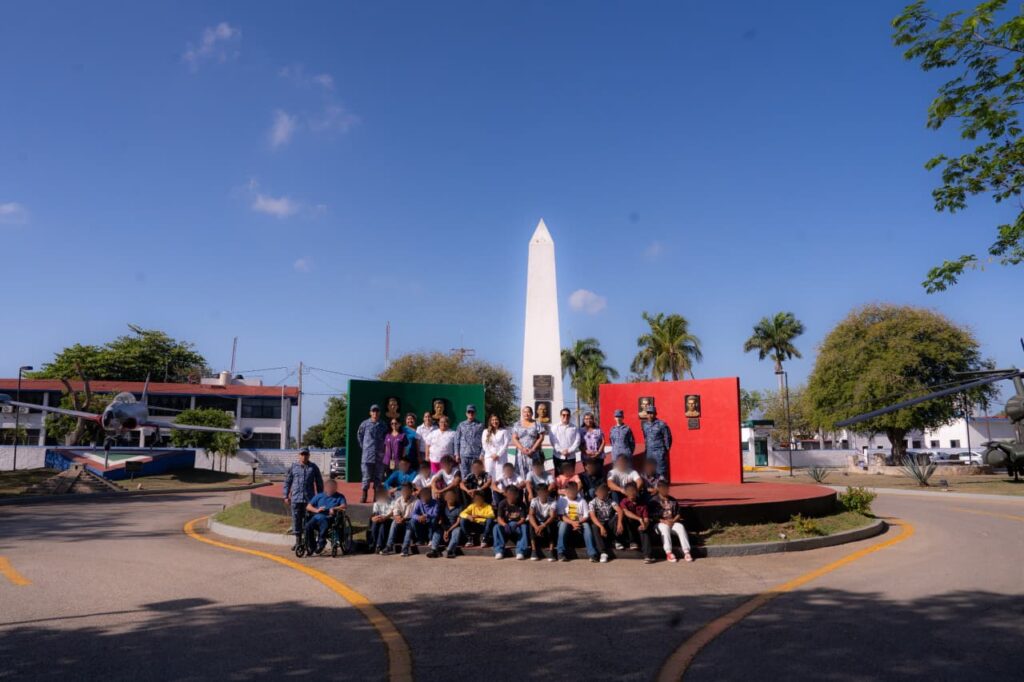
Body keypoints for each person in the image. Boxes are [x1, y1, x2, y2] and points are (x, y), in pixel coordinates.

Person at [283, 448, 324, 548]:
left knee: (309, 521)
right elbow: (287, 482)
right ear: (299, 455)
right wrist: (285, 495)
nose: (304, 456)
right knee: (296, 520)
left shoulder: (313, 467)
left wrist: (320, 498)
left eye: (306, 454)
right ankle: (298, 541)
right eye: (302, 454)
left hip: (309, 500)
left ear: (309, 455)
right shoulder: (293, 467)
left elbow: (319, 483)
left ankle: (309, 542)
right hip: (296, 499)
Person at [650, 479, 693, 563]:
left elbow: (678, 514)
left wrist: (673, 521)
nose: (665, 490)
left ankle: (686, 552)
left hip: (672, 522)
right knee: (665, 528)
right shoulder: (653, 501)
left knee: (680, 527)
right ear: (658, 488)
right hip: (659, 524)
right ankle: (669, 552)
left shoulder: (673, 500)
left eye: (667, 488)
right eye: (663, 488)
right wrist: (663, 521)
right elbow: (651, 516)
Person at [303, 478, 348, 555]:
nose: (330, 489)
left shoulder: (339, 496)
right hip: (317, 517)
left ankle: (321, 543)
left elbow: (344, 506)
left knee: (323, 520)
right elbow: (308, 506)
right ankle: (312, 546)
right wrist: (316, 510)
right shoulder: (319, 496)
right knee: (307, 527)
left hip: (330, 518)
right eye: (329, 487)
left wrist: (334, 508)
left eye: (332, 487)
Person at [556, 481, 597, 562]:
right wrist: (572, 523)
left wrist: (577, 522)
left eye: (573, 489)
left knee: (587, 526)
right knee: (563, 524)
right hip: (567, 522)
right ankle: (560, 553)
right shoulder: (562, 500)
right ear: (566, 491)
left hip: (580, 522)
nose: (571, 492)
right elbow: (562, 516)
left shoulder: (582, 500)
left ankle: (592, 553)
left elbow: (586, 516)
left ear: (577, 490)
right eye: (569, 490)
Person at [357, 404, 388, 503]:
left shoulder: (383, 425)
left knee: (378, 477)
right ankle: (364, 494)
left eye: (377, 411)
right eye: (373, 411)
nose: (375, 413)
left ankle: (376, 496)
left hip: (379, 456)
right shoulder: (364, 424)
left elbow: (386, 438)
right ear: (370, 413)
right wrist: (366, 447)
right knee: (366, 476)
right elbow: (359, 436)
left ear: (379, 413)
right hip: (367, 456)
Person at [618, 482, 654, 563]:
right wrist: (639, 519)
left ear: (637, 491)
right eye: (629, 491)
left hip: (638, 526)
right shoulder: (624, 501)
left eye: (634, 491)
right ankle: (632, 541)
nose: (632, 493)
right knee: (625, 518)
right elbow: (626, 512)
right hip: (628, 527)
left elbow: (646, 518)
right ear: (626, 493)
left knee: (644, 529)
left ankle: (647, 555)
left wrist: (645, 524)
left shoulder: (642, 503)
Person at [493, 486, 530, 560]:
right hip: (506, 526)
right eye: (510, 494)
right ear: (506, 494)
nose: (512, 496)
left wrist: (517, 524)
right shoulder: (502, 503)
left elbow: (523, 518)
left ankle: (520, 551)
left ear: (517, 495)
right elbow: (499, 518)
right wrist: (505, 525)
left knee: (524, 526)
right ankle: (499, 551)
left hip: (517, 526)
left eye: (514, 494)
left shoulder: (521, 504)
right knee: (496, 527)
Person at [510, 405, 546, 479]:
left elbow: (541, 437)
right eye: (524, 412)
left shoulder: (537, 424)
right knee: (521, 474)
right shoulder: (517, 424)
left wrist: (532, 449)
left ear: (532, 413)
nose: (526, 414)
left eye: (528, 412)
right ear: (522, 413)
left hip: (534, 453)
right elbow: (514, 438)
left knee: (535, 474)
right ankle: (522, 490)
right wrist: (522, 449)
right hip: (521, 453)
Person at [588, 483, 620, 563]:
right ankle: (603, 552)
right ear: (596, 492)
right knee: (594, 526)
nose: (602, 493)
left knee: (617, 516)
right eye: (600, 491)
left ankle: (617, 540)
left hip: (609, 522)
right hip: (599, 522)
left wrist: (620, 523)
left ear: (607, 492)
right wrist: (601, 527)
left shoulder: (610, 500)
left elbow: (619, 510)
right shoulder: (592, 502)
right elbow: (592, 516)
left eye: (604, 491)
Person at [405, 486, 440, 556]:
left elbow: (435, 514)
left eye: (426, 495)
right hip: (421, 521)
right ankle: (420, 540)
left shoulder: (435, 503)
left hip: (430, 521)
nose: (424, 497)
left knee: (433, 520)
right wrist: (419, 517)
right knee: (412, 521)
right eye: (422, 496)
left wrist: (426, 516)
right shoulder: (419, 502)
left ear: (430, 495)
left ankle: (430, 539)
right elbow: (413, 514)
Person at [384, 483, 416, 556]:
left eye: (407, 490)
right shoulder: (398, 500)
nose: (405, 492)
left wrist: (402, 519)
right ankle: (389, 546)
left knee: (410, 523)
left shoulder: (415, 501)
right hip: (401, 520)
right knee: (394, 523)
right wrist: (397, 517)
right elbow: (395, 511)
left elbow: (410, 514)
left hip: (410, 521)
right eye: (403, 490)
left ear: (411, 491)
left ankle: (405, 549)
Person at [641, 404, 672, 480]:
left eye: (651, 413)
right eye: (648, 413)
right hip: (649, 452)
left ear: (655, 414)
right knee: (650, 471)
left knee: (661, 471)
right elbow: (645, 437)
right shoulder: (645, 425)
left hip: (659, 451)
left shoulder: (661, 424)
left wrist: (666, 449)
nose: (650, 415)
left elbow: (668, 437)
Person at [454, 404, 485, 480]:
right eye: (469, 412)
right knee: (464, 477)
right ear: (466, 414)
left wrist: (482, 454)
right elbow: (456, 440)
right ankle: (465, 491)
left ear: (475, 413)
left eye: (472, 412)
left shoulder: (480, 425)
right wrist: (457, 454)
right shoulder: (461, 425)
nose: (471, 414)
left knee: (476, 476)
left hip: (476, 455)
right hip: (463, 456)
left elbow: (484, 441)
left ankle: (475, 491)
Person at [528, 484, 558, 561]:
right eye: (540, 492)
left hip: (547, 522)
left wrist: (543, 525)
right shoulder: (534, 500)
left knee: (551, 524)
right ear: (537, 493)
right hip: (537, 522)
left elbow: (552, 516)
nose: (542, 494)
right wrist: (536, 527)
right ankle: (534, 550)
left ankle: (551, 551)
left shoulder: (552, 501)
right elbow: (531, 514)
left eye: (544, 492)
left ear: (547, 492)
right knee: (531, 524)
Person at [481, 413, 511, 484]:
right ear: (490, 421)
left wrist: (498, 455)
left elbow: (506, 444)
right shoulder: (486, 431)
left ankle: (500, 492)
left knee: (500, 475)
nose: (495, 421)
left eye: (496, 419)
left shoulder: (504, 431)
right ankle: (490, 493)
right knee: (489, 475)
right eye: (493, 420)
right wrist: (492, 454)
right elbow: (484, 444)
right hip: (489, 457)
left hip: (501, 457)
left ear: (499, 421)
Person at [549, 407, 580, 474]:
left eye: (568, 415)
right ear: (560, 416)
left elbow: (577, 441)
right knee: (558, 477)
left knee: (570, 476)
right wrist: (561, 451)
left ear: (570, 416)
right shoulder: (554, 427)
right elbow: (553, 441)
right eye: (563, 415)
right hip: (558, 456)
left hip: (571, 457)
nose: (566, 416)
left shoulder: (575, 428)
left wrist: (569, 451)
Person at [437, 489, 463, 559]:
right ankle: (434, 549)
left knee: (457, 531)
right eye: (448, 496)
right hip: (444, 527)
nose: (450, 498)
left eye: (452, 496)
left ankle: (449, 550)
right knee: (437, 531)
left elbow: (458, 522)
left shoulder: (459, 507)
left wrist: (448, 531)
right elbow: (441, 521)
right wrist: (445, 530)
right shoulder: (442, 507)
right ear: (445, 498)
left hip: (454, 526)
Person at [368, 488, 393, 554]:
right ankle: (373, 544)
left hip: (389, 519)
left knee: (383, 524)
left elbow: (392, 513)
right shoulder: (376, 503)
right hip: (380, 519)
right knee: (375, 524)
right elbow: (375, 513)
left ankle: (379, 545)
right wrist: (374, 517)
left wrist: (385, 517)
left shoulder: (392, 502)